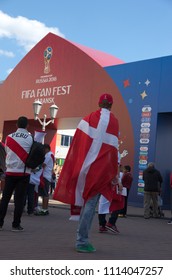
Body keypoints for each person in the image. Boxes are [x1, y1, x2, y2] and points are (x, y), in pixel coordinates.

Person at [53, 93, 120, 252]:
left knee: (87, 205)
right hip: (101, 172)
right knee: (90, 205)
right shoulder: (114, 122)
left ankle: (81, 238)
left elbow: (77, 144)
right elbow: (113, 150)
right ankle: (82, 241)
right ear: (111, 105)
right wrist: (114, 173)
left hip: (85, 169)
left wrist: (76, 166)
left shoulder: (88, 118)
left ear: (99, 103)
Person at [0, 116, 33, 231]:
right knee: (19, 200)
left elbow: (7, 152)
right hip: (23, 173)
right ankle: (16, 225)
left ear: (16, 125)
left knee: (5, 198)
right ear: (27, 125)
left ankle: (0, 223)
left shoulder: (9, 137)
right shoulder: (30, 138)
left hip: (10, 172)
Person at [35, 144, 55, 215]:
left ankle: (44, 209)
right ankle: (45, 209)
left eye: (44, 150)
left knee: (45, 194)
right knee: (45, 194)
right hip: (47, 175)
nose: (43, 151)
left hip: (45, 176)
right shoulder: (52, 155)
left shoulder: (48, 155)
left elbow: (43, 164)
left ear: (46, 148)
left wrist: (36, 167)